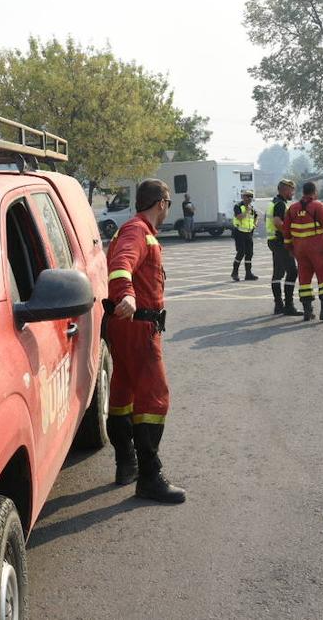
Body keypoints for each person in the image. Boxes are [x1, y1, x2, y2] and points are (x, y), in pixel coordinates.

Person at [104, 179, 186, 504]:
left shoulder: (136, 229)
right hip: (138, 327)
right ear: (162, 203)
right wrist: (126, 294)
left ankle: (126, 464)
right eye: (169, 204)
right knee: (154, 397)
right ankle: (150, 478)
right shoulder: (138, 231)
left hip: (123, 326)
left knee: (123, 391)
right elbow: (121, 263)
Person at [284, 181, 323, 322]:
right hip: (317, 247)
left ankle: (308, 312)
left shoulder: (292, 208)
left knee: (304, 278)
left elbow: (286, 232)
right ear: (314, 192)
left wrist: (291, 249)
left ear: (303, 192)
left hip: (300, 249)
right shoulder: (318, 206)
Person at [267, 179, 304, 316]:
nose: (293, 193)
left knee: (278, 273)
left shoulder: (273, 202)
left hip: (273, 241)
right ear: (285, 190)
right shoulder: (280, 204)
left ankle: (278, 305)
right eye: (291, 190)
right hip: (280, 242)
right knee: (292, 272)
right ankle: (288, 306)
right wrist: (289, 235)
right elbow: (277, 222)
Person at [231, 190, 259, 281]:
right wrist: (247, 211)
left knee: (249, 253)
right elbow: (239, 217)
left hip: (248, 233)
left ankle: (248, 273)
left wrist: (254, 225)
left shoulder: (252, 208)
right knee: (240, 253)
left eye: (251, 196)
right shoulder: (238, 206)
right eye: (247, 196)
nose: (249, 198)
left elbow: (256, 216)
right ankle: (234, 272)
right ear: (243, 197)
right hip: (239, 232)